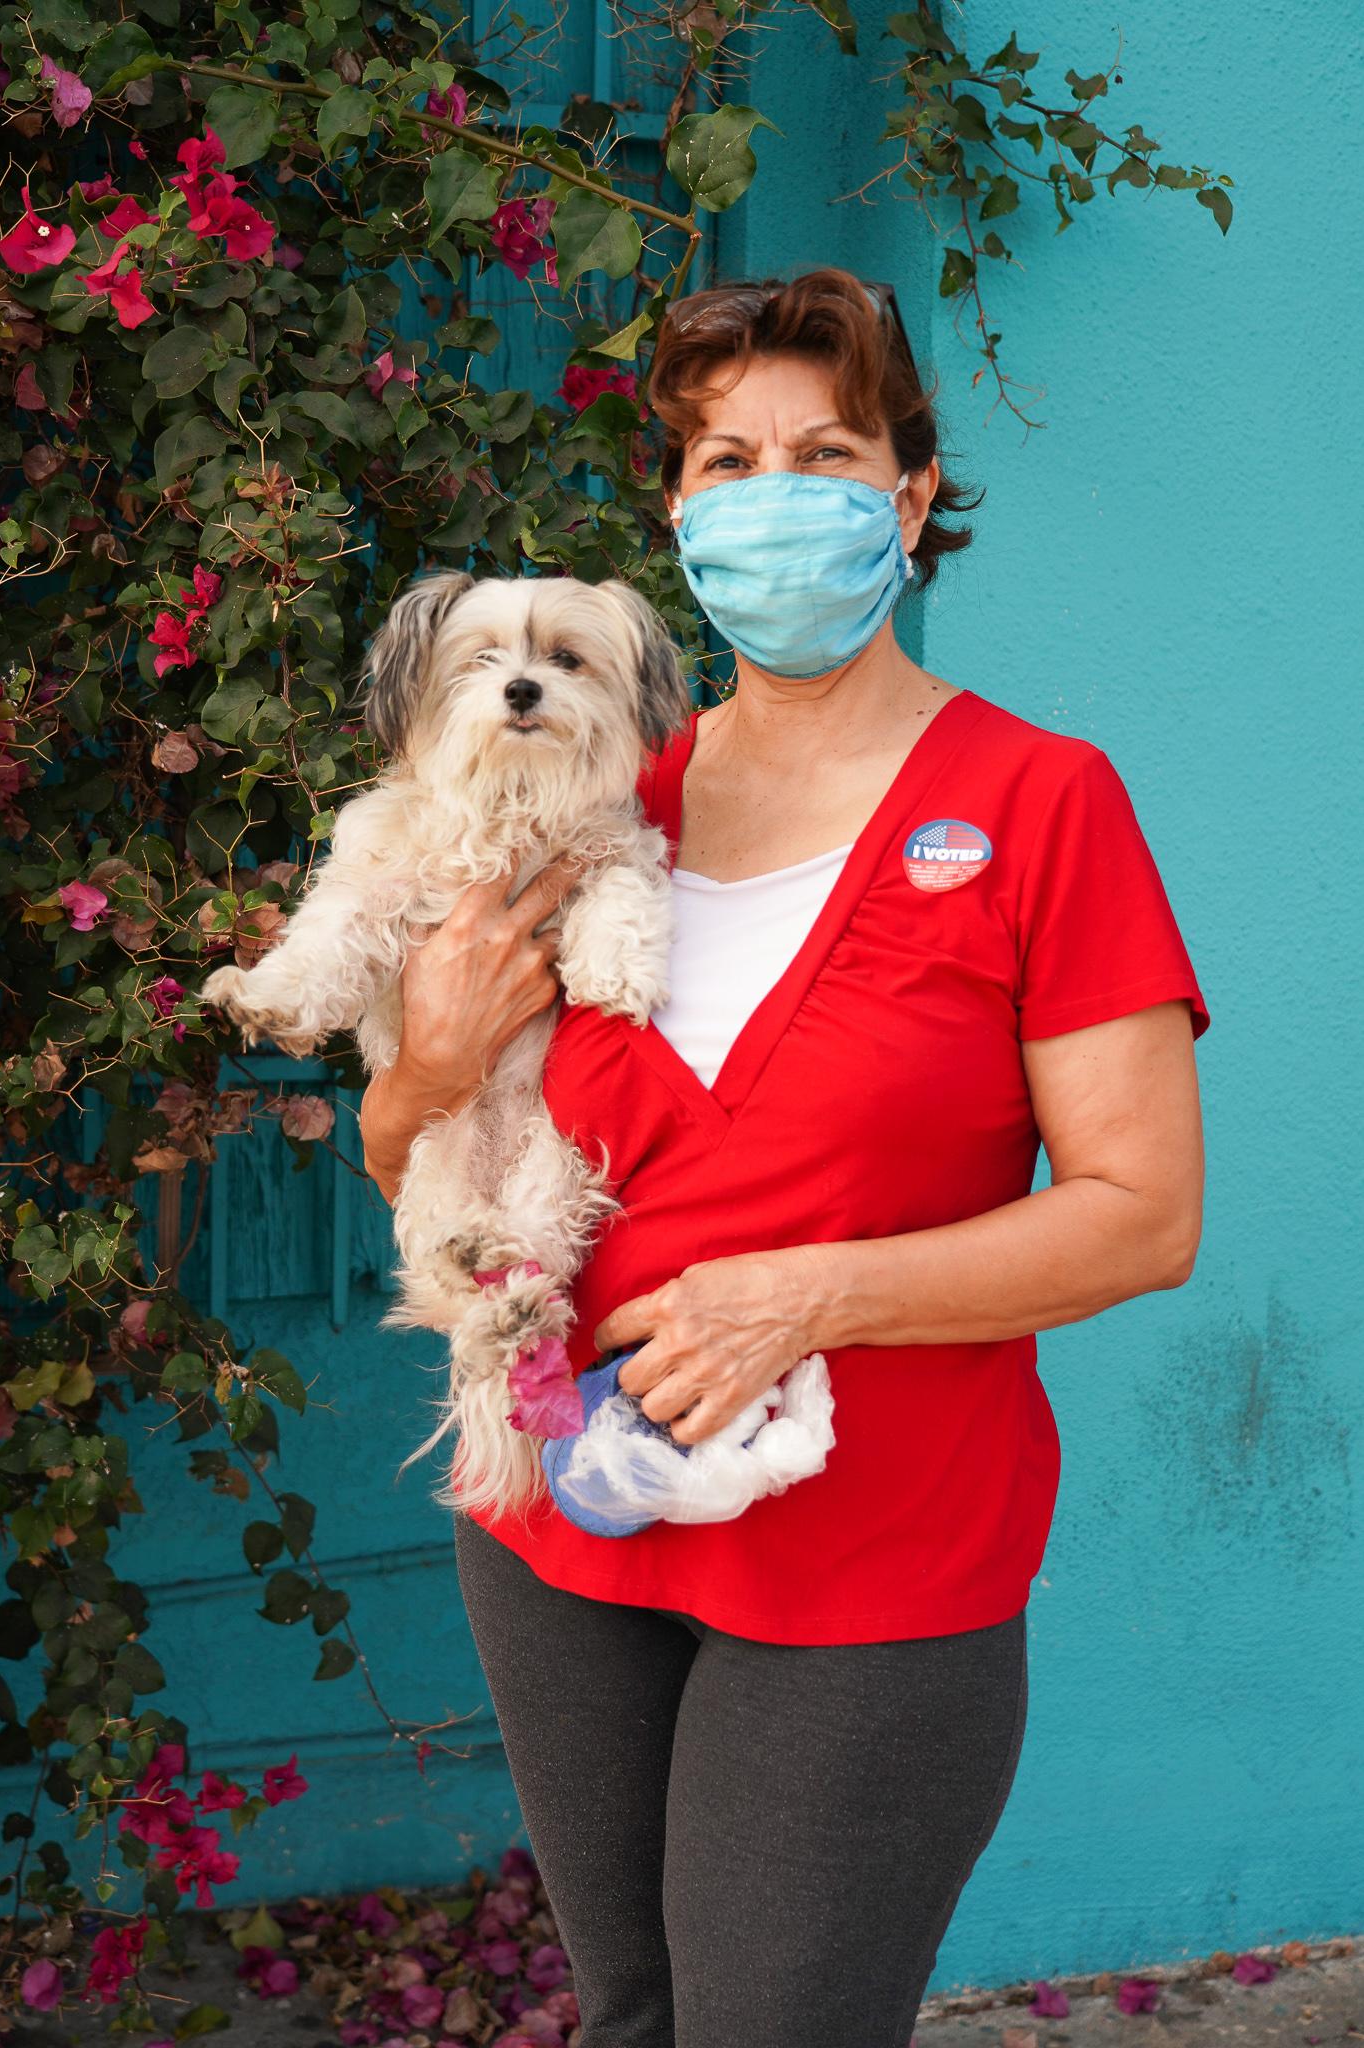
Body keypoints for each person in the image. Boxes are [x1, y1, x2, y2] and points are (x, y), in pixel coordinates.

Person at [359, 267, 1210, 2048]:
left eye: (823, 451)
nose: (771, 495)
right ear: (677, 513)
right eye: (723, 461)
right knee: (636, 2019)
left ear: (905, 497)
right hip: (564, 1529)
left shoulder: (1043, 802)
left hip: (869, 1559)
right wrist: (419, 1074)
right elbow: (428, 1168)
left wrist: (805, 1295)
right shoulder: (595, 792)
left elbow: (1142, 1219)